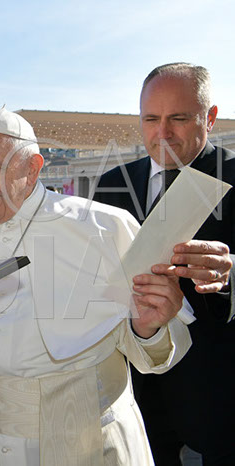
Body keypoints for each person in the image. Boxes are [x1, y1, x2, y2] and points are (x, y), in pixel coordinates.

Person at [0, 108, 193, 465]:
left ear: (33, 167)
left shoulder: (104, 227)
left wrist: (147, 329)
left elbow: (157, 352)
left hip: (85, 440)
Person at [93, 63, 235, 465]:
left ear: (210, 117)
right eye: (151, 119)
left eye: (179, 118)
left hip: (217, 382)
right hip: (133, 385)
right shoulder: (112, 183)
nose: (163, 132)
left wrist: (231, 272)